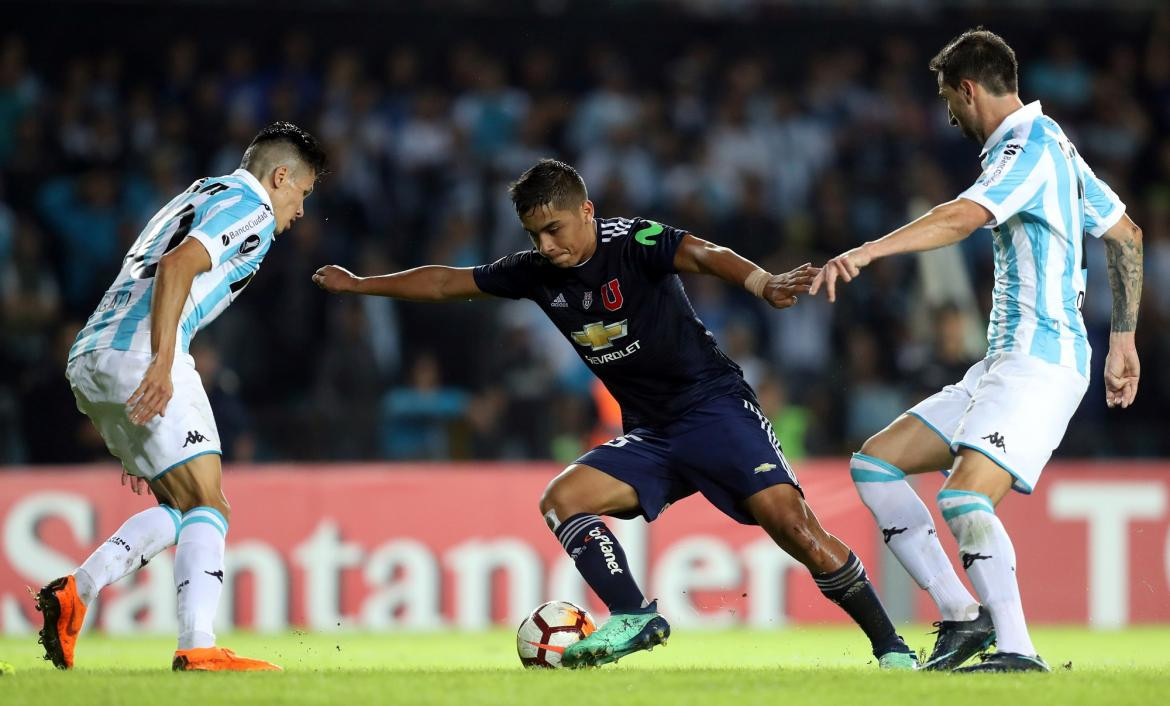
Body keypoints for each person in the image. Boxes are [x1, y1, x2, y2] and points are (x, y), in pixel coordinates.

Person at [314, 158, 917, 669]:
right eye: (534, 236)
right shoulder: (533, 273)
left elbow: (704, 254)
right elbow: (448, 282)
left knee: (795, 530)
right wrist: (361, 286)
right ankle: (633, 616)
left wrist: (761, 284)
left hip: (714, 408)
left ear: (587, 211)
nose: (546, 246)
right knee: (562, 499)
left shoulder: (635, 241)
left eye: (554, 229)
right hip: (651, 433)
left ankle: (891, 649)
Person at [812, 29, 1143, 673]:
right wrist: (1123, 339)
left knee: (964, 499)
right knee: (875, 467)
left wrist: (869, 249)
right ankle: (964, 617)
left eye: (947, 99)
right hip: (1001, 362)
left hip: (1039, 363)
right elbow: (1125, 234)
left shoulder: (1027, 146)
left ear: (969, 88)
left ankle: (1019, 650)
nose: (948, 114)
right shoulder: (1057, 150)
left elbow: (964, 217)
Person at [34, 122, 326, 672]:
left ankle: (77, 591)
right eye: (303, 193)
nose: (302, 210)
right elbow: (177, 264)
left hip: (91, 353)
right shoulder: (253, 208)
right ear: (280, 176)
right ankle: (197, 645)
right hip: (140, 352)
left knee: (182, 502)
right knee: (209, 503)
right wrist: (163, 363)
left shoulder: (201, 189)